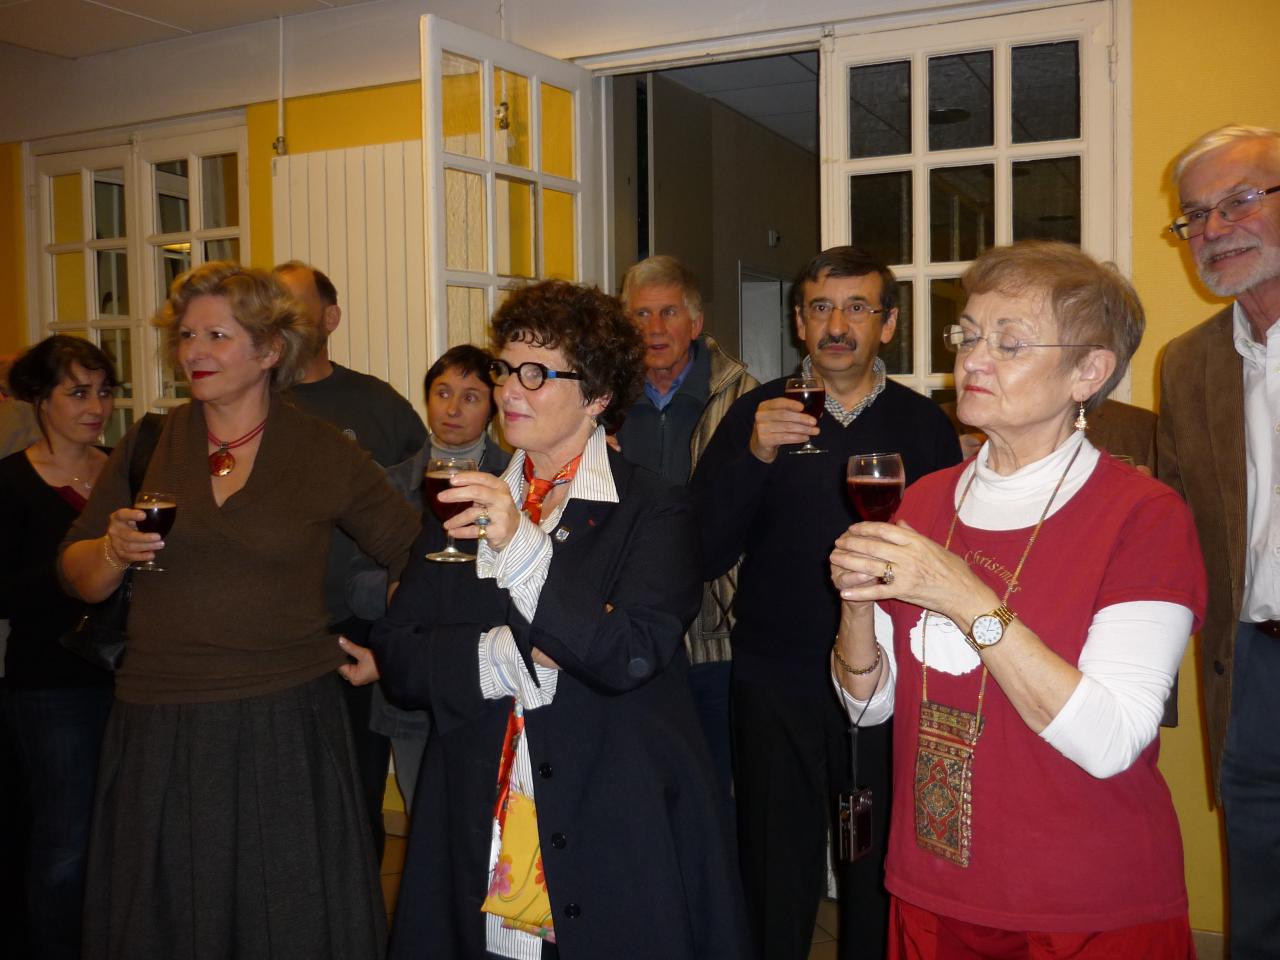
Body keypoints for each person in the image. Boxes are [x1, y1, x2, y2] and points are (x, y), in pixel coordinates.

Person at [342, 279, 749, 959]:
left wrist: (521, 548)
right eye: (506, 367)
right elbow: (402, 656)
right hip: (478, 816)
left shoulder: (656, 509)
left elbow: (630, 653)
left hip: (614, 817)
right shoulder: (462, 499)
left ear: (596, 397)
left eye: (537, 372)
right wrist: (508, 654)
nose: (509, 390)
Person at [830, 240, 1207, 957]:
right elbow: (866, 704)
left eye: (1010, 343)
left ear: (1088, 372)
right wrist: (855, 602)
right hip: (933, 884)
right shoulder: (925, 498)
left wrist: (960, 593)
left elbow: (1111, 740)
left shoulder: (1142, 514)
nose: (973, 360)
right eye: (968, 335)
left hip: (1082, 900)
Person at [59, 262, 420, 958]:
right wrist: (112, 549)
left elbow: (412, 553)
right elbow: (79, 576)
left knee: (285, 921)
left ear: (268, 350)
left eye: (217, 335)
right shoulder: (147, 444)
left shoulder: (322, 451)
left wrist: (395, 647)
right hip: (159, 721)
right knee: (164, 922)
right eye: (187, 334)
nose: (194, 350)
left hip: (283, 721)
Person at [692, 246, 962, 960]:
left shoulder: (924, 426)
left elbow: (951, 556)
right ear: (799, 322)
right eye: (821, 307)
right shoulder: (758, 412)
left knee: (874, 864)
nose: (837, 324)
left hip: (885, 680)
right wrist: (752, 455)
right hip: (774, 675)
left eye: (857, 308)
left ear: (889, 324)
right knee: (773, 865)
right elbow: (703, 549)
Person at [1158, 123, 1280, 959]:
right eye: (1193, 217)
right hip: (1254, 664)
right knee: (1260, 895)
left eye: (1237, 201)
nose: (1212, 231)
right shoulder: (1187, 362)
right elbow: (1173, 518)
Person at [275, 259, 427, 862]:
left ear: (330, 318)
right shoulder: (248, 404)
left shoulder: (376, 405)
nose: (280, 319)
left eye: (293, 306)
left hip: (356, 632)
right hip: (273, 634)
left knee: (357, 795)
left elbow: (426, 506)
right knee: (282, 800)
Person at [616, 254, 758, 812]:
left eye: (668, 312)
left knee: (711, 795)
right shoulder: (599, 401)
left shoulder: (745, 397)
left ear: (695, 324)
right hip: (621, 629)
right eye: (640, 315)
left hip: (713, 635)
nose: (653, 329)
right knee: (634, 792)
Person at [346, 343, 511, 814]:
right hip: (411, 683)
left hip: (485, 677)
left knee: (489, 824)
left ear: (494, 406)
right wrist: (404, 592)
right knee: (425, 826)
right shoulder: (388, 484)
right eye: (443, 392)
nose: (453, 408)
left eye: (471, 396)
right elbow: (355, 586)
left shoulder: (513, 479)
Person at [0, 336, 118, 960]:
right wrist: (74, 571)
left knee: (119, 836)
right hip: (50, 681)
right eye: (78, 392)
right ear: (41, 400)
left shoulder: (121, 471)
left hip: (126, 675)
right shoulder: (12, 482)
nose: (96, 406)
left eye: (103, 391)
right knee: (65, 841)